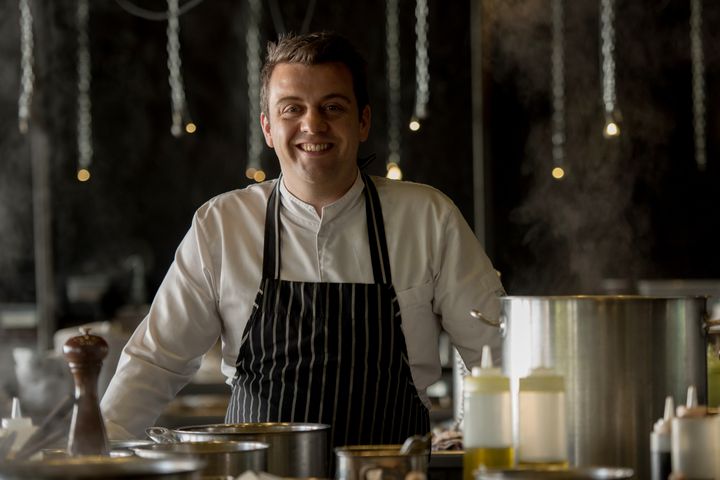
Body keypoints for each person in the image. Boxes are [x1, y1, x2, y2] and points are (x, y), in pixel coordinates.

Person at [101, 31, 504, 448]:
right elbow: (155, 361)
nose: (313, 124)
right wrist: (95, 457)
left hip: (389, 474)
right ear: (268, 128)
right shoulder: (222, 224)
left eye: (333, 107)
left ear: (363, 121)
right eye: (292, 109)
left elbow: (496, 356)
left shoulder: (428, 218)